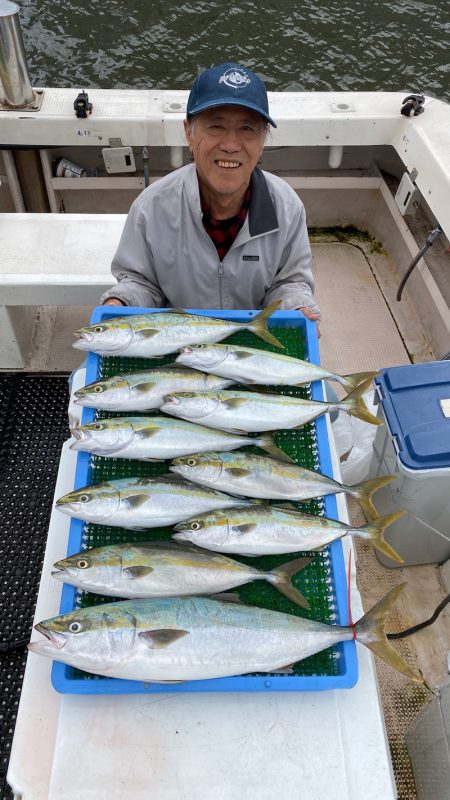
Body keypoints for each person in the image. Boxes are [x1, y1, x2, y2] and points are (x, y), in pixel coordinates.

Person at [101, 62, 320, 328]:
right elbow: (141, 282)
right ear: (189, 134)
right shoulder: (152, 208)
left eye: (247, 129)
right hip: (179, 342)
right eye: (216, 126)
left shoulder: (287, 208)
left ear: (263, 142)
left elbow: (288, 283)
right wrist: (120, 301)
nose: (230, 145)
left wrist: (297, 306)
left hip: (251, 339)